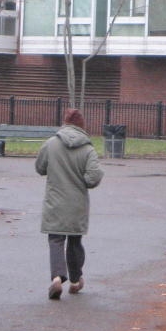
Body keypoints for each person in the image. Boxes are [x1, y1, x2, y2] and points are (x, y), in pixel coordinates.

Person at [35, 108, 104, 300]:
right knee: (75, 241)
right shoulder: (88, 149)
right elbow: (92, 179)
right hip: (77, 204)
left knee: (56, 240)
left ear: (65, 123)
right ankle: (75, 280)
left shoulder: (51, 144)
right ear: (82, 125)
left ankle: (57, 278)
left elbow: (40, 168)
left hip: (55, 201)